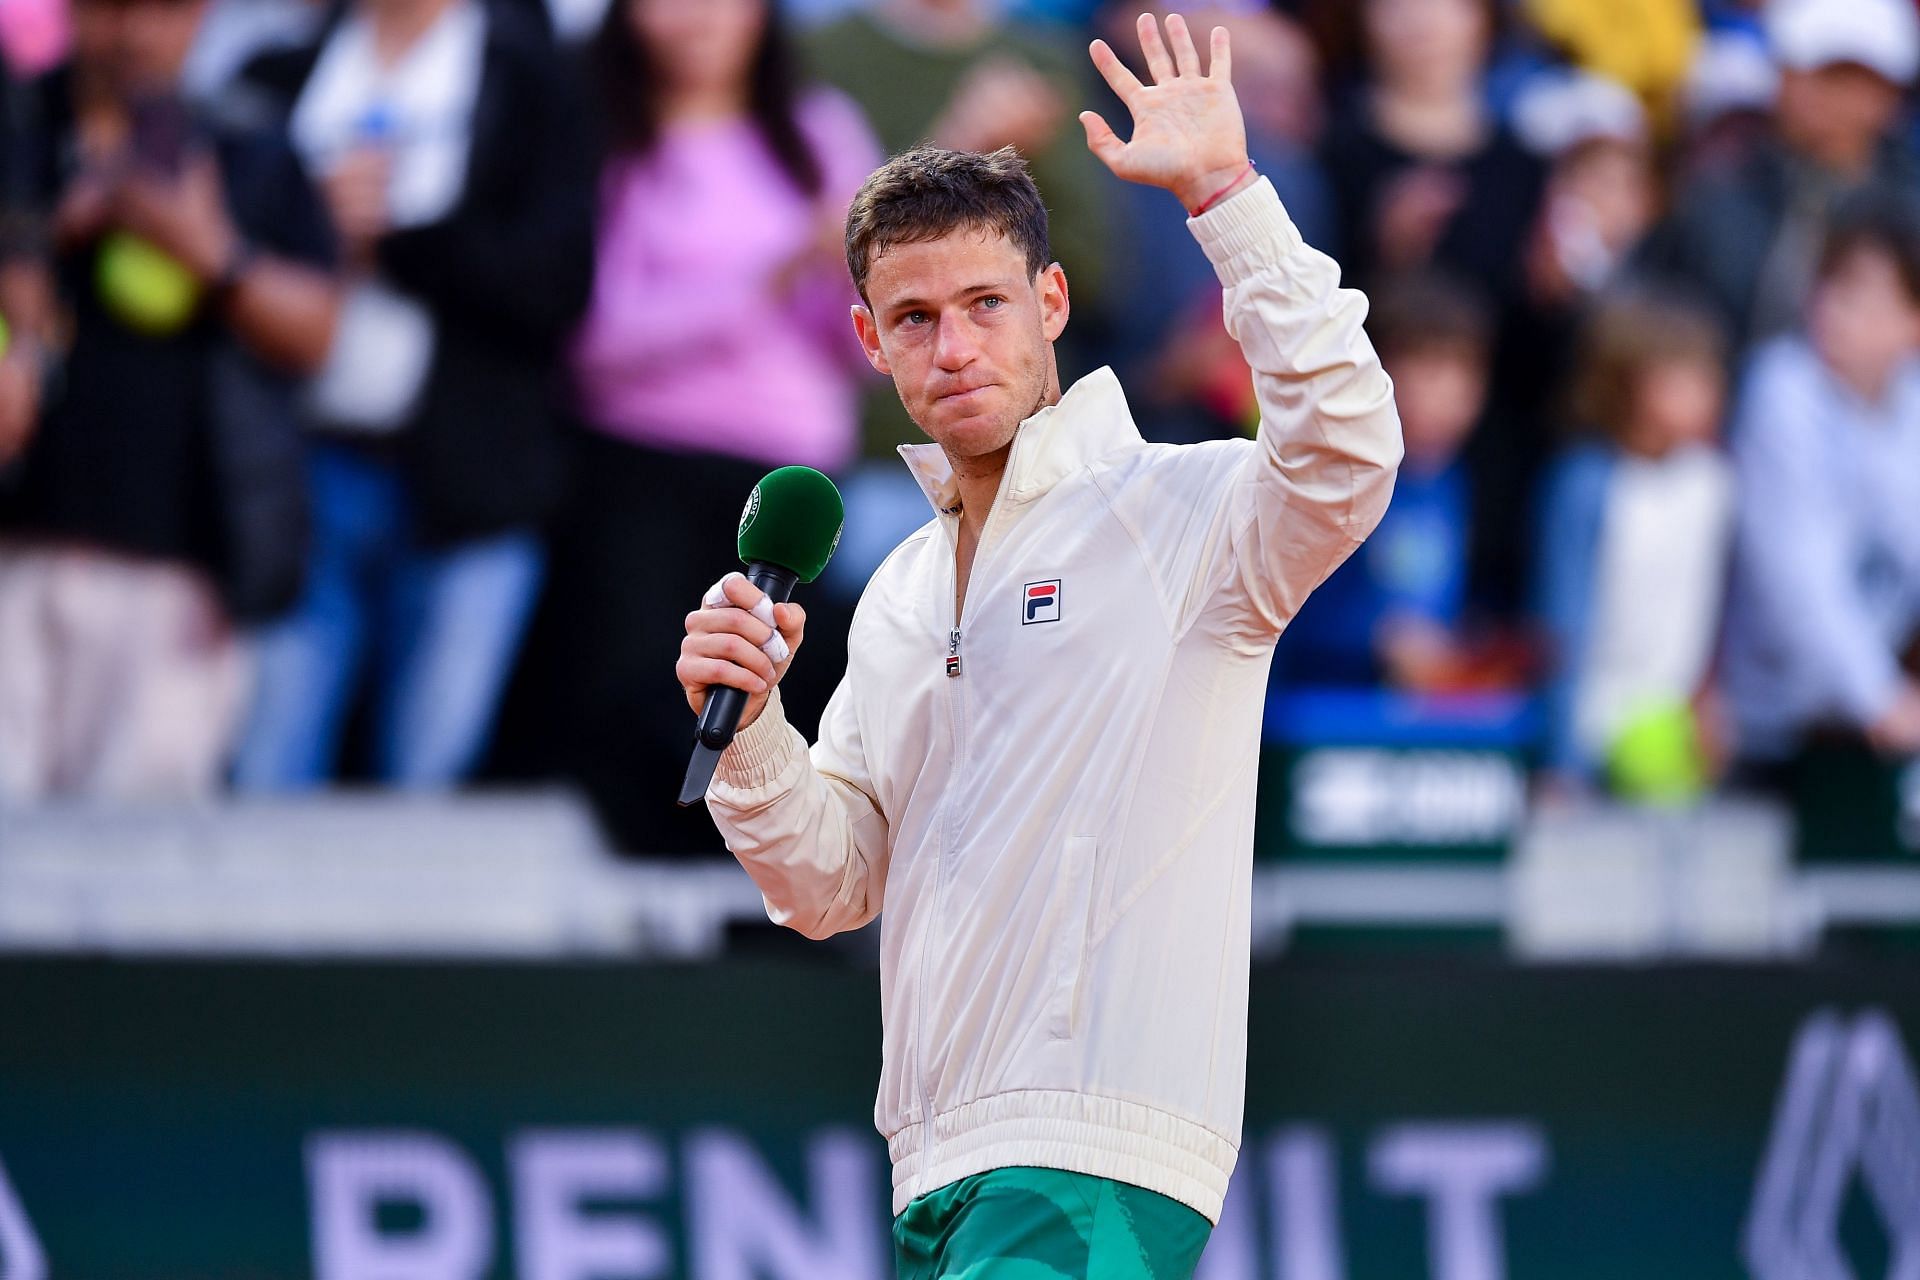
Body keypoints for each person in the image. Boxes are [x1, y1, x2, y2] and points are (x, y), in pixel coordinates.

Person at [678, 14, 1402, 1273]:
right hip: (937, 1155)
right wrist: (751, 729)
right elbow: (829, 880)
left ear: (1051, 303)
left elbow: (1347, 451)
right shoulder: (901, 589)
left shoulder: (1177, 510)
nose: (953, 348)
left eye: (984, 304)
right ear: (869, 342)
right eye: (912, 319)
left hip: (1094, 1149)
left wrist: (1228, 199)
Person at [533, 0, 880, 853]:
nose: (696, 17)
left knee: (794, 689)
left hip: (791, 479)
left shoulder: (822, 132)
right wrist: (768, 275)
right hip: (642, 462)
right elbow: (598, 339)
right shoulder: (608, 137)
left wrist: (837, 274)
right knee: (644, 692)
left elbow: (860, 340)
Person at [230, 0, 596, 789]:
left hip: (472, 485)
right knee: (268, 762)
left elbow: (556, 284)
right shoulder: (275, 74)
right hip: (295, 473)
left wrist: (394, 239)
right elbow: (217, 251)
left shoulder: (535, 80)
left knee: (428, 781)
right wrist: (309, 220)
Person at [0, 0, 337, 802]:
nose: (139, 34)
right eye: (116, 9)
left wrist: (206, 248)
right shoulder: (17, 126)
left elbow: (316, 332)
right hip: (16, 552)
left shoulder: (245, 145)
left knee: (138, 863)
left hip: (175, 572)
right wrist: (43, 240)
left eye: (166, 10)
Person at [1722, 200, 1920, 764]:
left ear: (1914, 323)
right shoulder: (1780, 387)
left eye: (1864, 300)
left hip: (1882, 703)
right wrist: (1878, 698)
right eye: (1830, 289)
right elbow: (1798, 575)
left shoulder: (1913, 397)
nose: (1835, 311)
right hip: (1778, 719)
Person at [1535, 291, 1734, 801]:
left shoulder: (1713, 482)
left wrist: (1708, 700)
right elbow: (1563, 620)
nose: (1704, 394)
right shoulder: (1586, 483)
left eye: (1708, 377)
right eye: (1681, 378)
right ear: (1626, 384)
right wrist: (1563, 759)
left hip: (1676, 720)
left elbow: (1713, 609)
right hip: (1598, 724)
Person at [1637, 0, 1920, 350]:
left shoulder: (1908, 218)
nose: (1822, 95)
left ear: (1888, 95)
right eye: (1811, 70)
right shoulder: (1715, 195)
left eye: (1845, 78)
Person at [1275, 271, 1491, 690]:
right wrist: (1379, 642)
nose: (1449, 400)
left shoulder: (1453, 482)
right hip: (1320, 718)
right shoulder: (1333, 480)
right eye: (1429, 375)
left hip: (1408, 728)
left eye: (1465, 379)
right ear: (1376, 379)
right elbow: (1287, 618)